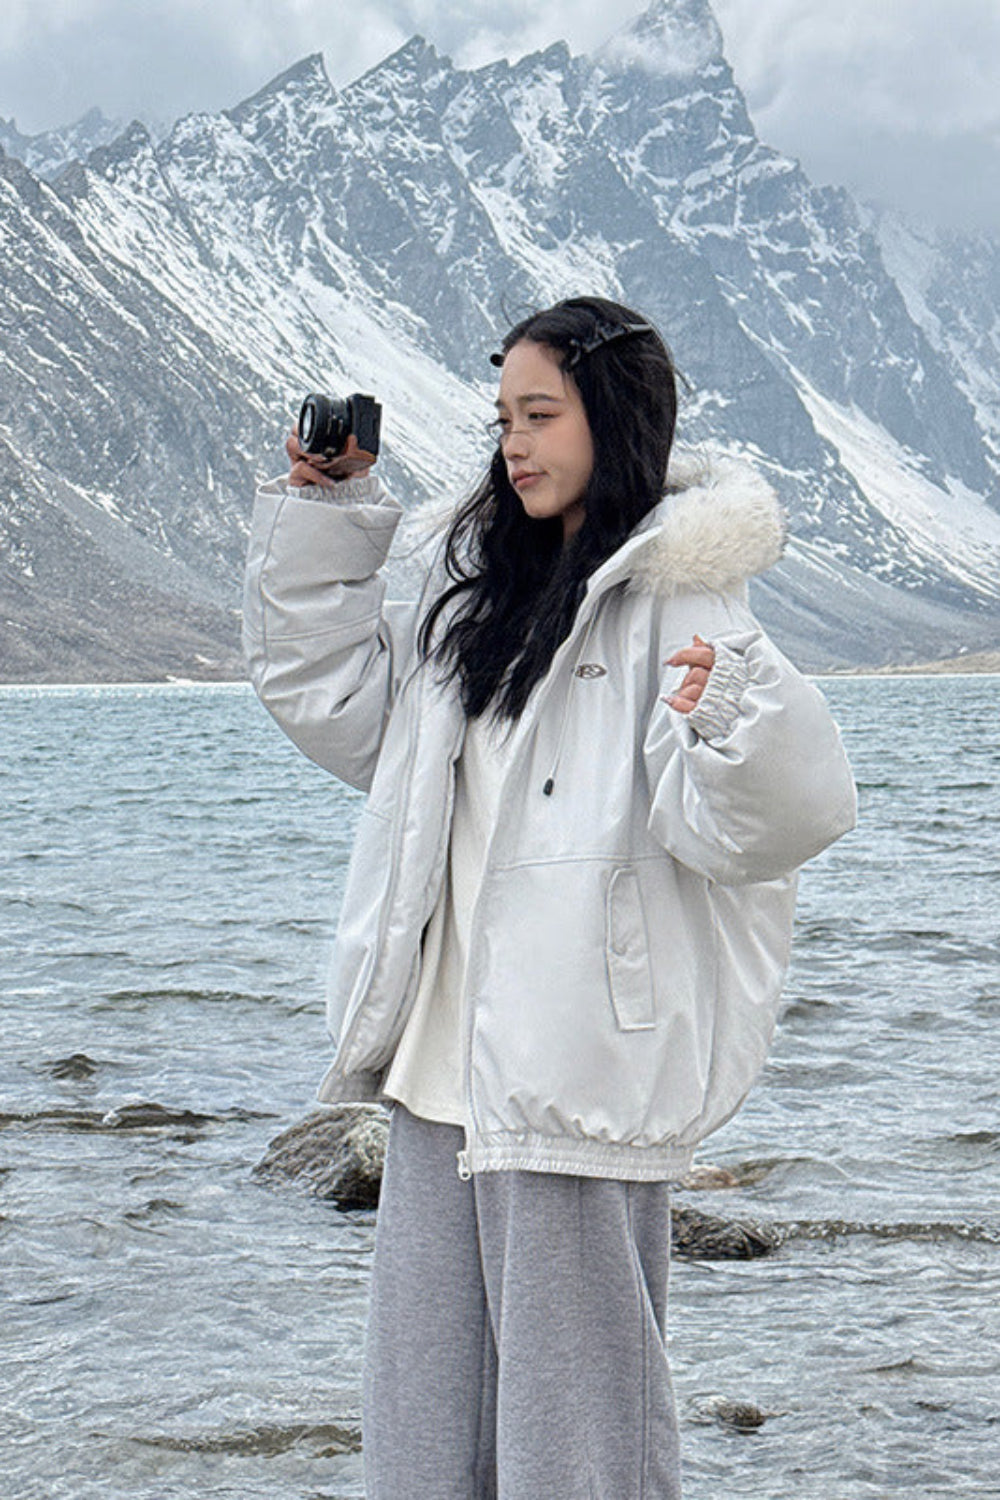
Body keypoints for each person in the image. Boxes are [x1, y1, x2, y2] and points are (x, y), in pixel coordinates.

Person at [243, 295, 857, 1499]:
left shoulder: (681, 596)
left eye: (541, 415)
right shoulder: (477, 592)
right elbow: (338, 707)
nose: (514, 443)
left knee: (580, 1432)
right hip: (439, 1069)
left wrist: (738, 715)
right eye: (502, 418)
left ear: (611, 418)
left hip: (574, 1065)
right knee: (426, 1419)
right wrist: (325, 513)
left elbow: (769, 824)